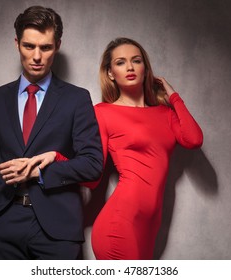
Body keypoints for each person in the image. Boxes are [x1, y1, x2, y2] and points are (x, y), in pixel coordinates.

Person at [0, 6, 103, 260]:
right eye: (29, 46)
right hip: (2, 221)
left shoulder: (77, 99)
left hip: (57, 227)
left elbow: (92, 164)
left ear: (57, 46)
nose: (36, 56)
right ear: (17, 43)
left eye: (46, 47)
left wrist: (41, 172)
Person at [87, 37, 203, 259]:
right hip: (119, 222)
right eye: (120, 62)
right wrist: (54, 159)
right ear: (110, 73)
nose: (129, 67)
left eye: (136, 60)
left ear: (145, 68)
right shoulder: (102, 112)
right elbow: (92, 175)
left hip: (150, 226)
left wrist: (174, 96)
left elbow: (194, 140)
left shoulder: (166, 113)